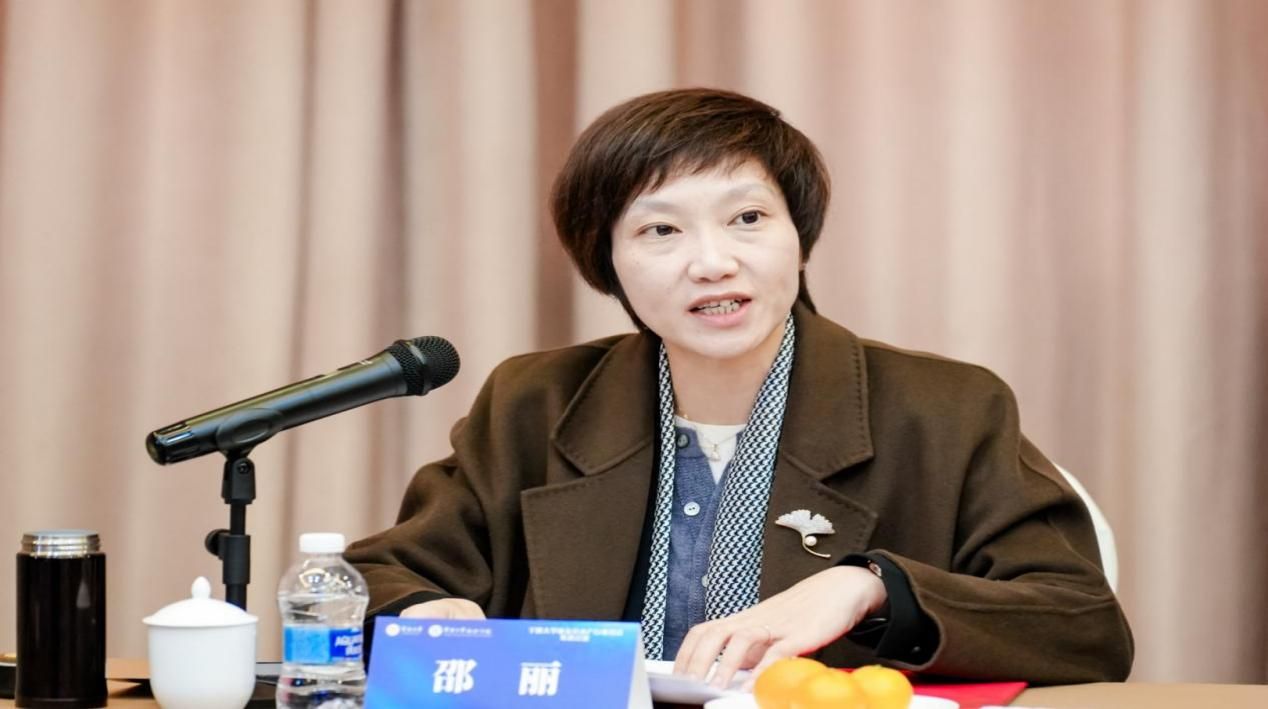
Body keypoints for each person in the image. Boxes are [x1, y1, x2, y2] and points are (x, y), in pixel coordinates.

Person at [345, 88, 1133, 687]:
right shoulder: (536, 401)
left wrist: (870, 587)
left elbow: (1082, 622)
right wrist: (425, 610)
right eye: (660, 230)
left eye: (748, 218)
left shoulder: (945, 407)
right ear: (606, 261)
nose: (713, 261)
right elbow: (376, 577)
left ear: (800, 235)